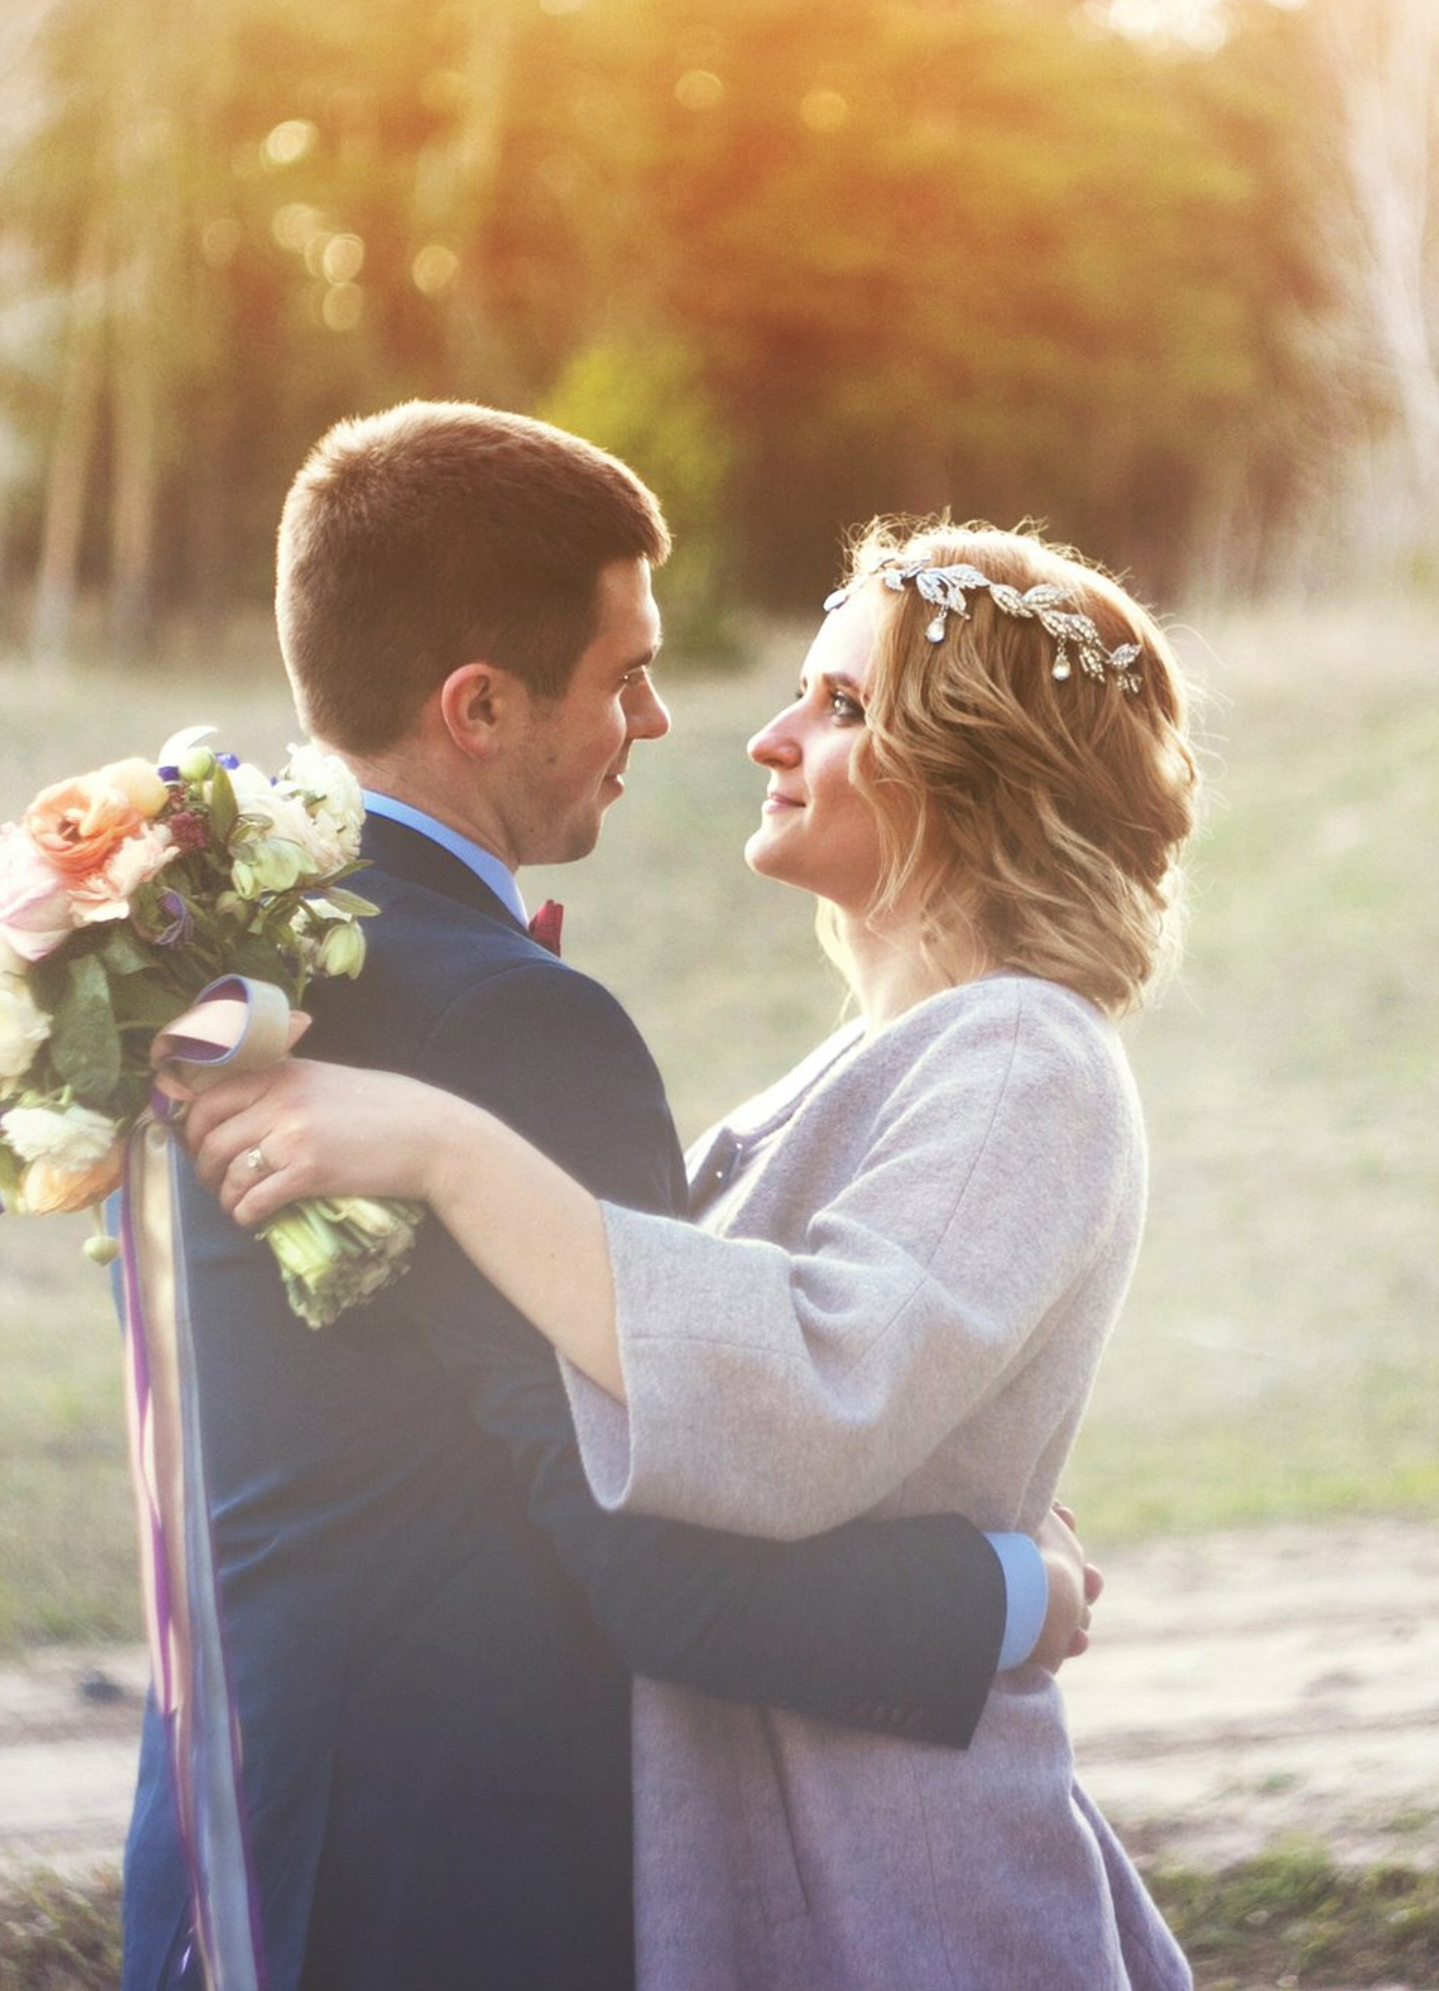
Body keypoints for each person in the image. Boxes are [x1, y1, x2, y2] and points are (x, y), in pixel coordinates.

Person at [121, 410, 1093, 1991]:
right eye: (627, 674)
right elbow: (652, 1553)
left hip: (228, 1849)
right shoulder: (503, 1023)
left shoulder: (208, 960)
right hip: (442, 1894)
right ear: (480, 707)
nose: (664, 717)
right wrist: (1004, 1591)